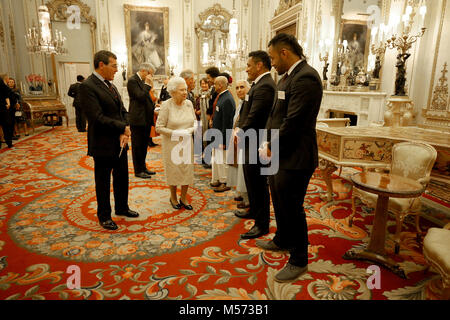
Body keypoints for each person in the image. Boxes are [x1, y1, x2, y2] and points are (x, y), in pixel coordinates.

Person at [258, 33, 323, 283]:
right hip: (280, 152)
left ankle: (299, 259)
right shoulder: (287, 77)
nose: (271, 62)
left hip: (296, 156)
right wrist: (267, 142)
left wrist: (272, 146)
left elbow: (294, 121)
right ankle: (282, 239)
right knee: (279, 199)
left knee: (292, 207)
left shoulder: (306, 77)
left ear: (285, 53)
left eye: (273, 57)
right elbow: (277, 116)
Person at [79, 50, 140, 231]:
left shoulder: (111, 86)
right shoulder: (88, 86)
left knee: (122, 177)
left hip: (119, 141)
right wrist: (122, 128)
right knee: (103, 181)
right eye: (114, 66)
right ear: (101, 65)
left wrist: (126, 128)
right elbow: (96, 117)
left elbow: (123, 110)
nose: (116, 69)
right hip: (103, 143)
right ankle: (104, 215)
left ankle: (122, 207)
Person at [235, 50, 276, 240]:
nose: (247, 69)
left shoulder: (266, 85)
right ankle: (254, 210)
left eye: (249, 65)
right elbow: (247, 111)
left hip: (258, 140)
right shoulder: (259, 84)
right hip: (250, 138)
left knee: (258, 183)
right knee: (251, 180)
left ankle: (262, 224)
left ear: (259, 65)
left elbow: (256, 115)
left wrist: (240, 131)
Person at [156, 77, 196, 211]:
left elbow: (195, 122)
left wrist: (190, 130)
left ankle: (184, 197)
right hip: (171, 144)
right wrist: (176, 133)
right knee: (173, 170)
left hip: (186, 142)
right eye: (181, 90)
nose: (185, 92)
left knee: (186, 170)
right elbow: (159, 127)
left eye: (185, 89)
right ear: (173, 92)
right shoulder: (166, 105)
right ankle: (173, 197)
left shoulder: (189, 104)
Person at [127, 63, 157, 179]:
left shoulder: (143, 82)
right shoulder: (132, 81)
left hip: (145, 118)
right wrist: (148, 85)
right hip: (137, 119)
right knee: (137, 146)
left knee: (144, 146)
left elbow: (147, 99)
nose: (151, 77)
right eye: (150, 74)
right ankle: (138, 170)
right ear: (144, 71)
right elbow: (140, 96)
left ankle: (143, 167)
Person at [226, 80, 250, 211]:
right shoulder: (240, 103)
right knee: (238, 168)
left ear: (248, 88)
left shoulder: (248, 102)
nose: (239, 90)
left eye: (242, 87)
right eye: (237, 88)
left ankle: (247, 200)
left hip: (246, 139)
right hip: (237, 139)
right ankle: (242, 194)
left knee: (244, 171)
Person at [210, 76, 235, 193]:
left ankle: (225, 182)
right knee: (217, 159)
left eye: (215, 84)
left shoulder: (228, 99)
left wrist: (225, 141)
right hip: (217, 133)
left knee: (223, 159)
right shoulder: (221, 97)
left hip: (223, 135)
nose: (214, 86)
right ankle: (219, 179)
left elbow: (228, 123)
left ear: (220, 85)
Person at [0, 74, 14, 148]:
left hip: (2, 107)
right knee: (6, 125)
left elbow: (6, 93)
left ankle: (9, 141)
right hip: (3, 107)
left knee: (6, 124)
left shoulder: (1, 83)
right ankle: (8, 141)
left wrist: (8, 103)